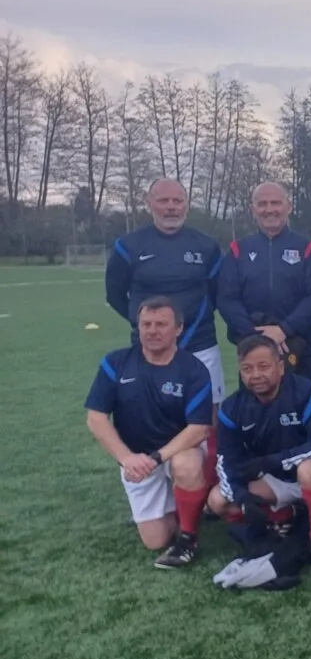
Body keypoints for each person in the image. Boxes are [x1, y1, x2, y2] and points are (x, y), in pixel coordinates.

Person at [106, 178, 223, 488]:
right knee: (149, 416)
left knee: (208, 419)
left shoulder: (206, 246)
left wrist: (184, 329)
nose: (171, 207)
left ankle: (210, 489)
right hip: (149, 351)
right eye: (163, 201)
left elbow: (217, 293)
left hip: (200, 344)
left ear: (186, 205)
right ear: (149, 204)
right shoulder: (128, 246)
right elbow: (115, 295)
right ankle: (153, 484)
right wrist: (149, 328)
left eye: (177, 201)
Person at [84, 296, 213, 569]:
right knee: (156, 540)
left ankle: (188, 538)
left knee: (187, 464)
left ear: (178, 328)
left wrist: (156, 458)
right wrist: (127, 458)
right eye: (146, 324)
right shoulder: (115, 363)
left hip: (176, 451)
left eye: (161, 324)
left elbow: (198, 429)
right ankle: (186, 503)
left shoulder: (194, 369)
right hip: (136, 460)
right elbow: (96, 418)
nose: (152, 331)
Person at [207, 334, 311, 563]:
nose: (255, 375)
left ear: (281, 367)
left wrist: (272, 462)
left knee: (308, 470)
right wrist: (242, 496)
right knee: (218, 500)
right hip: (277, 477)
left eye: (263, 366)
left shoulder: (306, 391)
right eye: (247, 369)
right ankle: (285, 516)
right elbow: (225, 461)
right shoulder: (232, 407)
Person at [217, 181, 311, 380]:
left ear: (288, 206)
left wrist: (284, 329)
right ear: (253, 209)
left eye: (276, 203)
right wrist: (255, 335)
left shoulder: (308, 248)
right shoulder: (238, 250)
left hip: (300, 345)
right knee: (257, 398)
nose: (269, 210)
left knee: (303, 398)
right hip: (252, 346)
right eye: (262, 204)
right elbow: (227, 299)